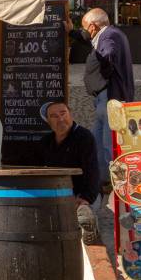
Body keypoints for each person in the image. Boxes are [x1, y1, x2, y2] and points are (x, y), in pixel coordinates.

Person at [71, 8, 134, 178]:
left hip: (110, 97)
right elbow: (88, 40)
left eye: (85, 27)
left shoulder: (109, 36)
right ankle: (102, 180)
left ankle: (114, 182)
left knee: (108, 145)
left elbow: (108, 53)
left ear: (92, 26)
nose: (84, 32)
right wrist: (71, 32)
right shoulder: (105, 35)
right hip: (103, 98)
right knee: (97, 142)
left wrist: (105, 71)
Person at [38, 101, 102, 244]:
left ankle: (91, 232)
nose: (60, 119)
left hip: (84, 193)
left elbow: (92, 171)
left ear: (70, 114)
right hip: (60, 194)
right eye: (54, 116)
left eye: (63, 113)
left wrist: (86, 197)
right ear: (48, 121)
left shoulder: (84, 137)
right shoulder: (46, 142)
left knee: (84, 214)